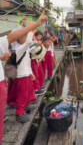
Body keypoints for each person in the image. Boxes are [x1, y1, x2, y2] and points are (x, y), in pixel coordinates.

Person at [0, 12, 48, 144]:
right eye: (22, 35)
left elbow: (33, 50)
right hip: (21, 76)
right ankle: (19, 112)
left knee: (26, 93)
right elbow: (27, 42)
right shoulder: (19, 48)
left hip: (26, 74)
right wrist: (32, 28)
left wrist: (32, 73)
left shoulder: (25, 49)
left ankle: (23, 107)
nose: (25, 37)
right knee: (22, 94)